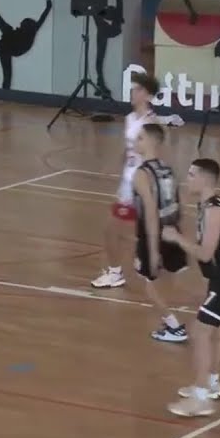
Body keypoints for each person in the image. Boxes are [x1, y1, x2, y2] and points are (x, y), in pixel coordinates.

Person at [162, 158, 220, 417]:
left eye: (191, 174)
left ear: (205, 179)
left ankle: (201, 399)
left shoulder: (212, 211)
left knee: (199, 332)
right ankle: (209, 383)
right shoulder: (208, 204)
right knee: (216, 330)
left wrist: (177, 238)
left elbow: (204, 253)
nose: (187, 179)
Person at [91, 73, 159, 290]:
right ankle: (146, 260)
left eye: (138, 90)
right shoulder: (130, 118)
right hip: (127, 182)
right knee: (132, 229)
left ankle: (115, 273)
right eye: (133, 89)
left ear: (147, 95)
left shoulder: (150, 123)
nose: (133, 93)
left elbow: (155, 156)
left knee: (112, 230)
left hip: (138, 184)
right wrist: (115, 166)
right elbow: (128, 149)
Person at [131, 123, 188, 343]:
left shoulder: (141, 174)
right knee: (172, 278)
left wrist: (153, 249)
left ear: (152, 142)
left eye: (140, 138)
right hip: (173, 229)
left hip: (152, 233)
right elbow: (179, 202)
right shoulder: (168, 168)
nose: (136, 142)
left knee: (149, 285)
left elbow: (151, 212)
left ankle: (174, 327)